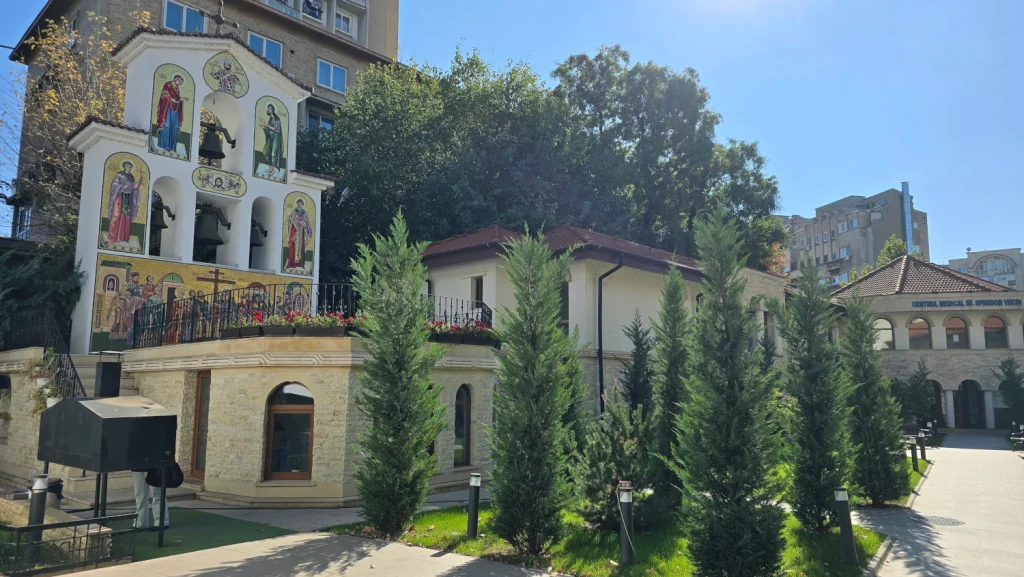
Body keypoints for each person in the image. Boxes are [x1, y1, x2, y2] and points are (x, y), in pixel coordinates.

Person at [106, 161, 141, 246]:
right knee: (116, 215)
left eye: (130, 167)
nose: (129, 168)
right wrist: (121, 186)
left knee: (126, 218)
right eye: (128, 166)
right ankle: (112, 237)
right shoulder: (119, 175)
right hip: (120, 197)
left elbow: (133, 188)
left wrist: (136, 185)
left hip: (128, 198)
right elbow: (114, 184)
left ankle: (124, 237)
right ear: (124, 167)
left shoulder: (131, 177)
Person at [156, 74, 187, 154]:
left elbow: (177, 98)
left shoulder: (177, 89)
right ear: (176, 79)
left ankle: (172, 147)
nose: (179, 83)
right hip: (167, 109)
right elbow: (164, 95)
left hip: (175, 110)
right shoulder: (168, 85)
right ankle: (165, 145)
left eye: (181, 83)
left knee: (175, 127)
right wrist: (171, 99)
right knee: (167, 125)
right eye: (179, 81)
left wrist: (180, 99)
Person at [286, 199, 312, 271]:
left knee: (301, 246)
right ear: (297, 204)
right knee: (293, 246)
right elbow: (290, 220)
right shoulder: (293, 212)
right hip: (294, 230)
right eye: (298, 203)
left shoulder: (304, 213)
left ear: (302, 205)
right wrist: (296, 221)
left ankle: (300, 263)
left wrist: (304, 224)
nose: (299, 205)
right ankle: (292, 263)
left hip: (301, 232)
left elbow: (307, 222)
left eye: (301, 204)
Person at [260, 103, 283, 170]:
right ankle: (270, 165)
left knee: (274, 153)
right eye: (268, 109)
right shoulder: (270, 118)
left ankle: (274, 166)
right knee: (266, 151)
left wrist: (266, 125)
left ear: (273, 110)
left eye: (270, 109)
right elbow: (269, 129)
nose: (268, 110)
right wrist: (264, 127)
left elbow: (274, 129)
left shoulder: (277, 119)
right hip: (271, 136)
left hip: (276, 136)